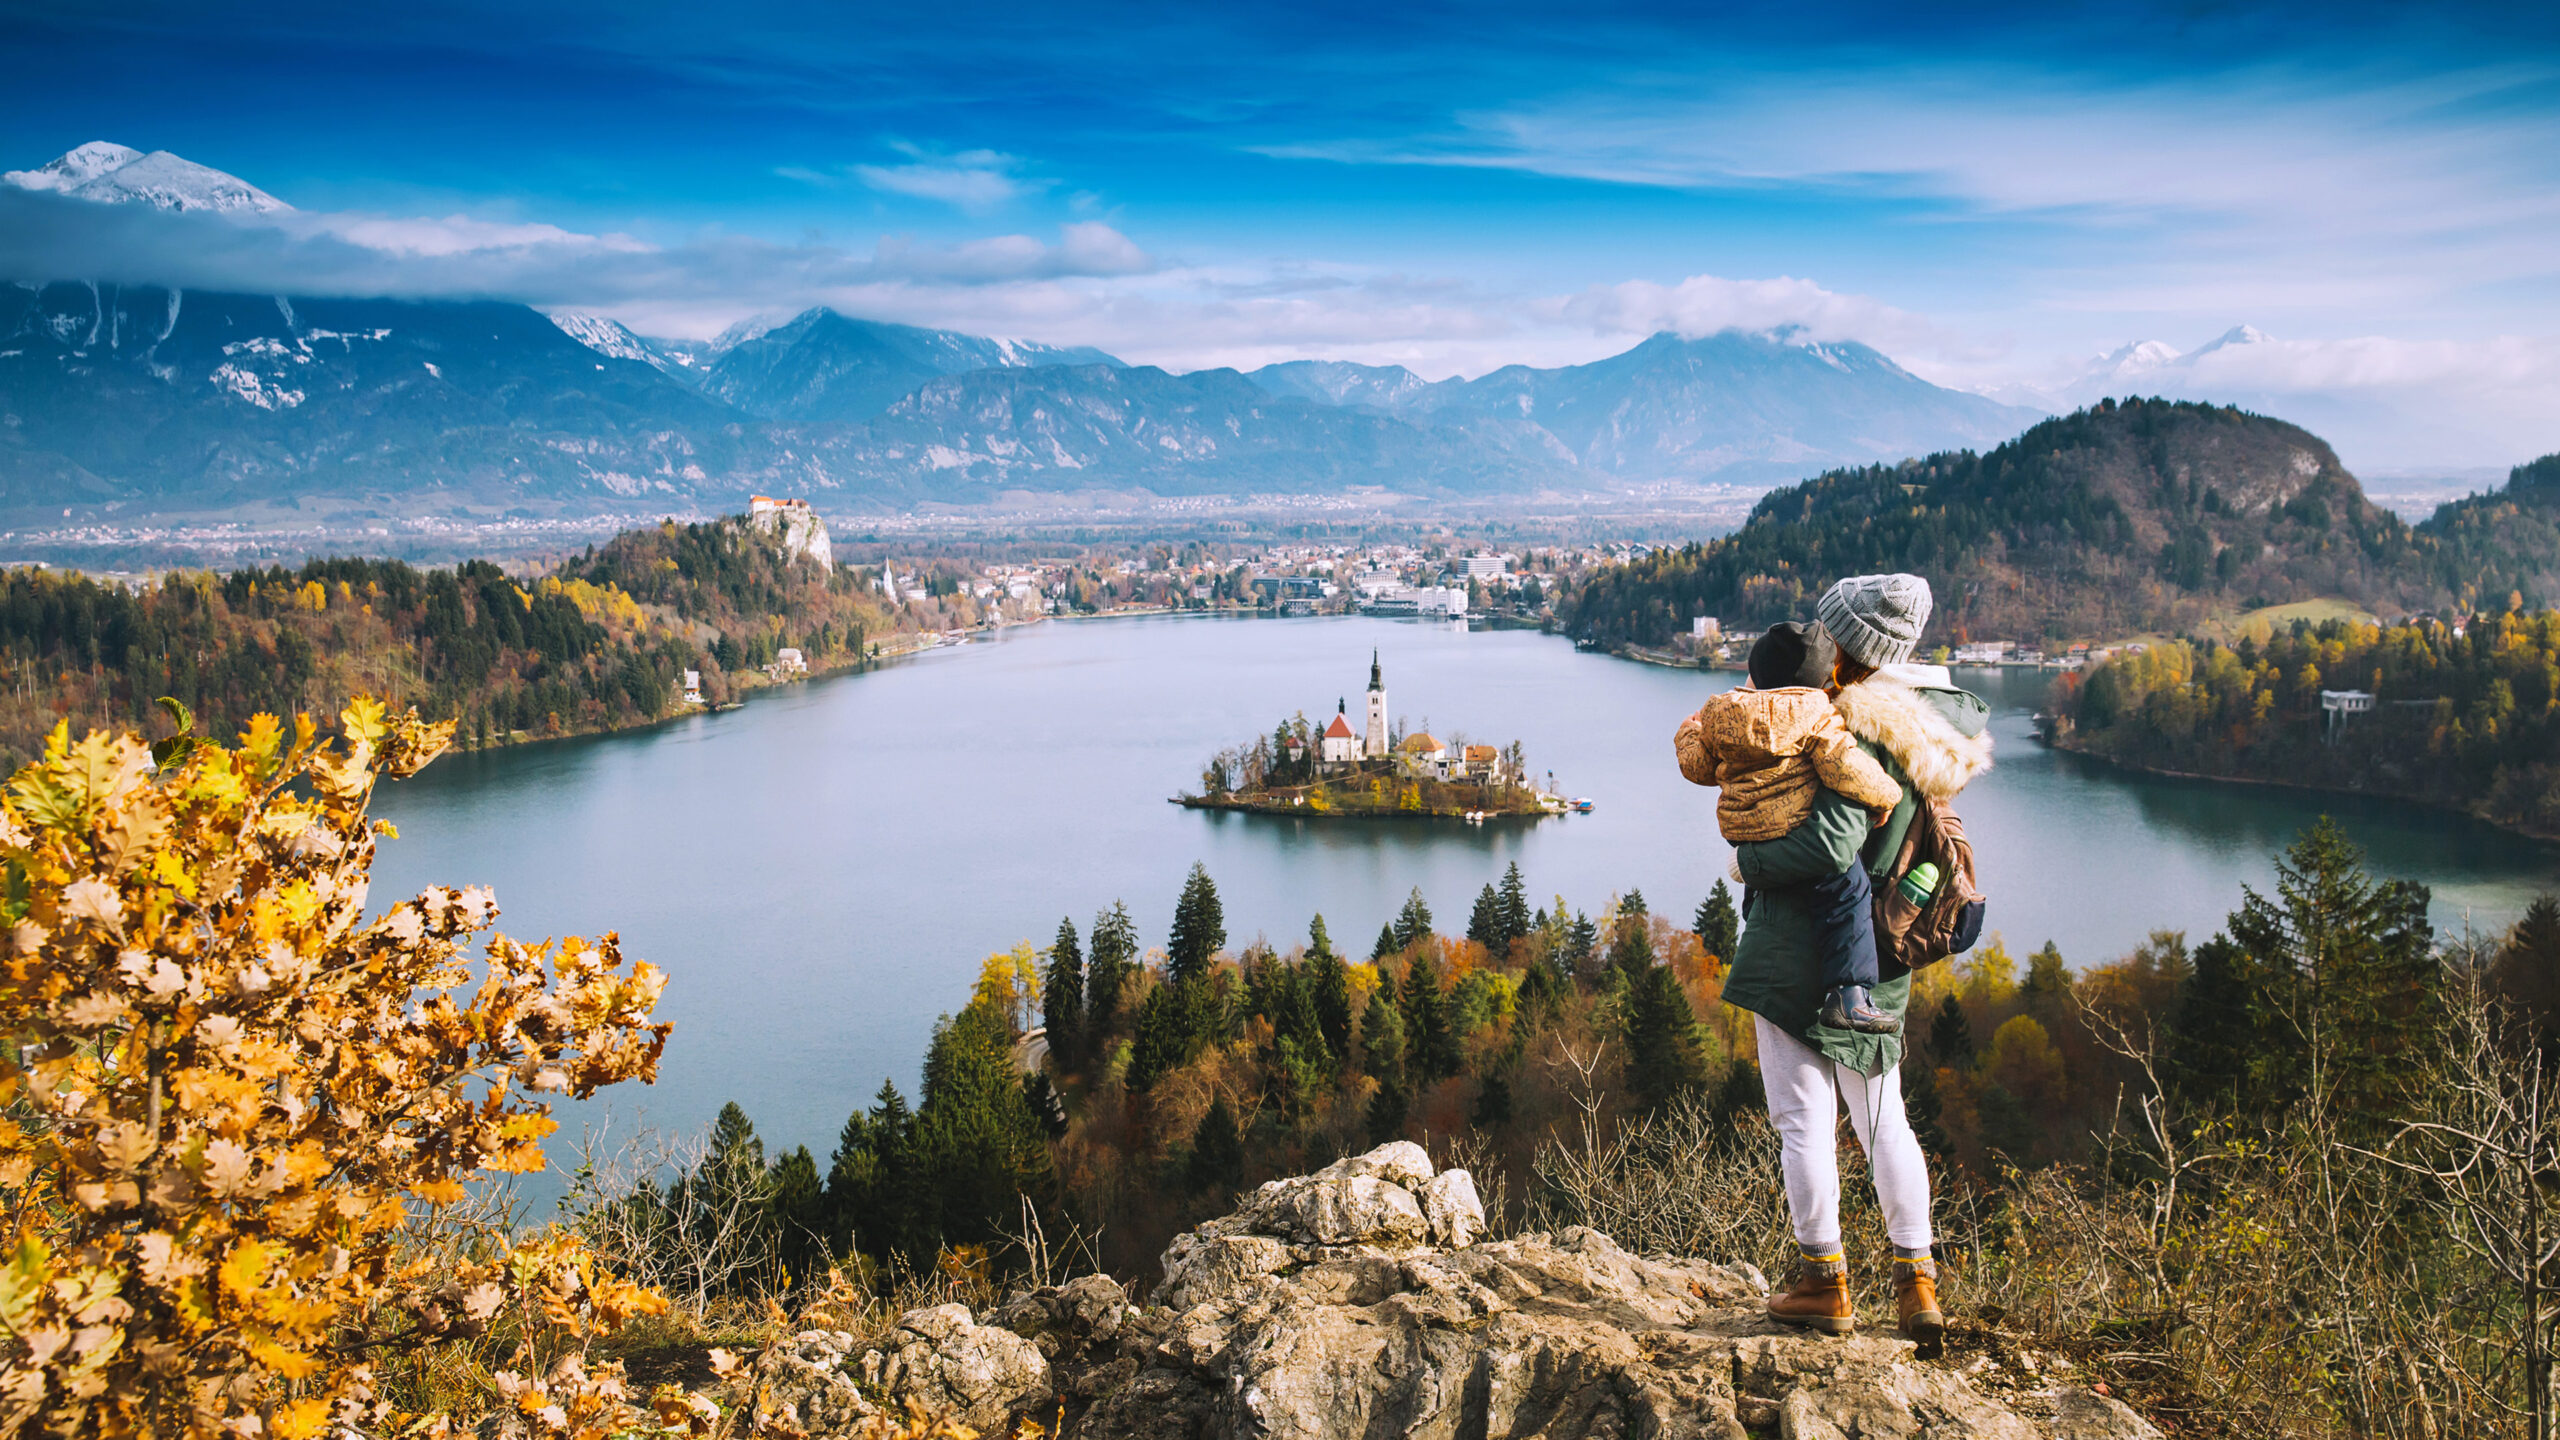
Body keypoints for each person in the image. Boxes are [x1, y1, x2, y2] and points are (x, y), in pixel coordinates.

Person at [1717, 572, 1993, 1343]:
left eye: (1828, 629)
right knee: (1883, 1120)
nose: (1818, 638)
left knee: (1802, 1121)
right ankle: (1917, 1287)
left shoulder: (1859, 725)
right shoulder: (1932, 723)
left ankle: (1824, 1284)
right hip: (1881, 955)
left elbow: (1833, 843)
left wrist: (1750, 858)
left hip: (1804, 949)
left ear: (1852, 645)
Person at [1673, 621, 1901, 1033]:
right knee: (1849, 890)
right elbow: (1845, 769)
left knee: (1765, 891)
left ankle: (1759, 929)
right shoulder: (1816, 715)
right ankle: (1849, 994)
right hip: (1792, 827)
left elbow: (1698, 767)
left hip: (1743, 832)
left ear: (1755, 672)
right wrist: (1887, 796)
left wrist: (1687, 732)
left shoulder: (1718, 713)